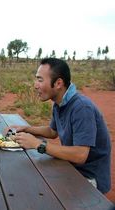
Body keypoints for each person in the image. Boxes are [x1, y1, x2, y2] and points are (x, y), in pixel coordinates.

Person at [9, 58, 111, 194]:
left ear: (58, 83)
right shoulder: (60, 102)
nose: (35, 85)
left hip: (88, 177)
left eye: (40, 80)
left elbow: (80, 155)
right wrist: (26, 129)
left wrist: (38, 144)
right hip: (72, 167)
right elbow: (52, 131)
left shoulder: (81, 107)